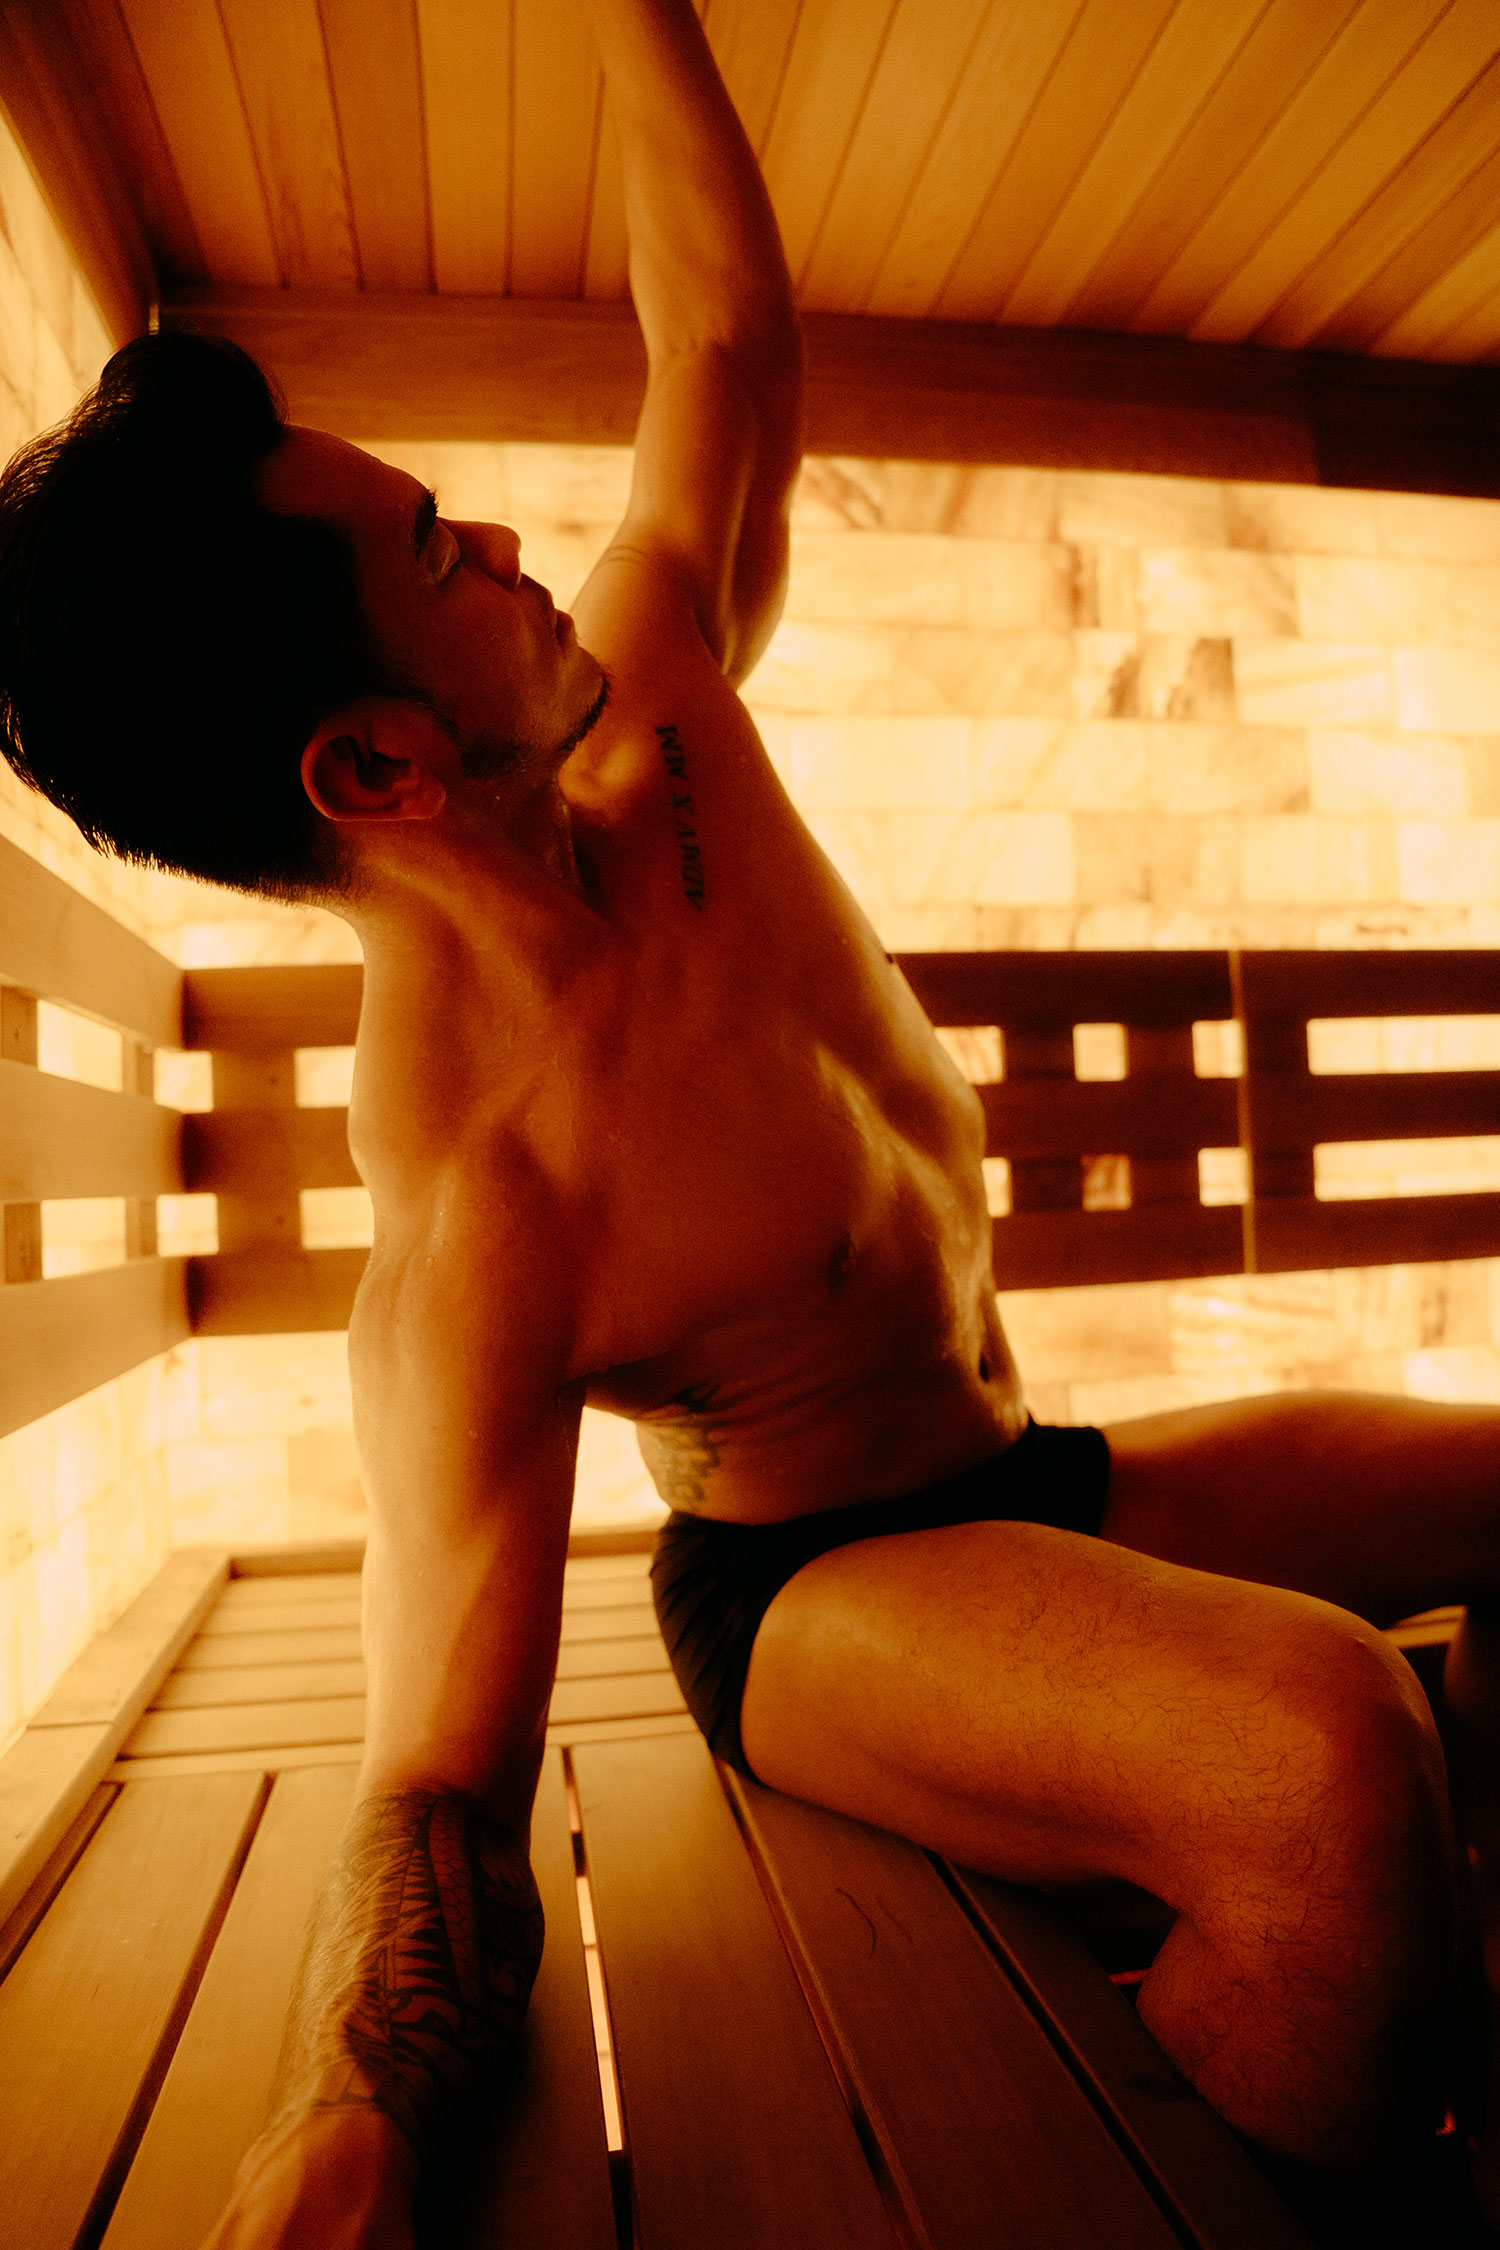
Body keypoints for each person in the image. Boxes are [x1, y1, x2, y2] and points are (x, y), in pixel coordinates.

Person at [2, 1, 1500, 2239]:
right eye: (439, 552)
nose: (509, 534)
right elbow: (438, 1782)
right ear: (379, 767)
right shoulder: (486, 1202)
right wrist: (347, 2111)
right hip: (819, 1594)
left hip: (1039, 1473)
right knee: (1329, 1754)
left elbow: (717, 336)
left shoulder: (658, 696)